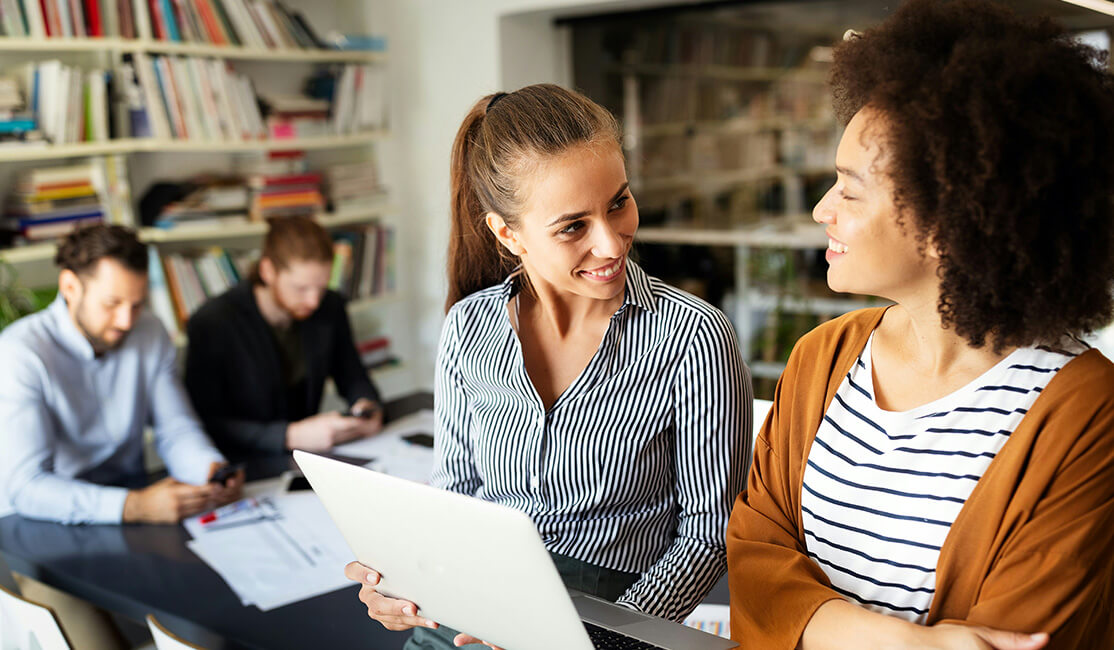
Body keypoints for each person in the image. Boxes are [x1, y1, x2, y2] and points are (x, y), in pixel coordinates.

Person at [726, 1, 1114, 648]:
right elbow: (754, 560)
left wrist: (819, 626)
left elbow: (1021, 637)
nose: (824, 208)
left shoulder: (1086, 412)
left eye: (850, 190)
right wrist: (910, 643)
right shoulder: (822, 358)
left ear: (946, 227)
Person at [343, 84, 752, 648]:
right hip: (476, 611)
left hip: (613, 620)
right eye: (572, 226)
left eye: (619, 202)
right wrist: (404, 583)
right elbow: (455, 498)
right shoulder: (468, 329)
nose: (611, 243)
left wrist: (578, 637)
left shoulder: (693, 335)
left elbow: (709, 536)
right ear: (508, 234)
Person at [0, 224, 242, 650]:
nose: (126, 320)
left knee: (220, 616)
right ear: (70, 286)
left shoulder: (148, 331)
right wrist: (135, 505)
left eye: (136, 303)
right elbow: (26, 488)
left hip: (132, 521)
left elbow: (176, 428)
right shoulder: (20, 354)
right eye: (112, 303)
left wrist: (209, 469)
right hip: (42, 535)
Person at [185, 216, 383, 459]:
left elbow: (352, 374)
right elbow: (204, 422)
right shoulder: (213, 322)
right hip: (244, 462)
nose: (313, 301)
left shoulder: (329, 307)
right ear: (268, 271)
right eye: (301, 288)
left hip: (306, 458)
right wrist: (289, 435)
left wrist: (365, 405)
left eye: (321, 287)